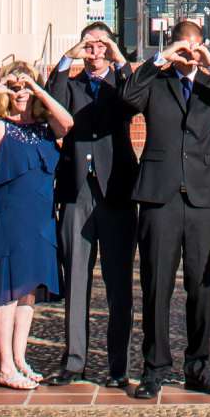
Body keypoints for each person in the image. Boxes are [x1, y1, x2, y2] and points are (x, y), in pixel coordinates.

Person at [122, 20, 210, 399]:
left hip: (204, 196)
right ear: (171, 46)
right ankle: (154, 367)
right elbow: (128, 99)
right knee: (156, 284)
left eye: (194, 46)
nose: (188, 53)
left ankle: (199, 366)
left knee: (202, 284)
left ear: (203, 46)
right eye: (182, 46)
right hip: (160, 196)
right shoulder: (155, 82)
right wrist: (157, 60)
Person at [0, 57, 74, 390]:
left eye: (24, 86)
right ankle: (4, 365)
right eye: (15, 86)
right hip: (11, 216)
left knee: (28, 295)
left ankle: (20, 358)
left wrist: (37, 86)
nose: (20, 92)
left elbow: (67, 123)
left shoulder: (45, 126)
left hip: (41, 218)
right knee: (7, 291)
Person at [46, 23, 138, 386]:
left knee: (119, 284)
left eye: (102, 44)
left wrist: (120, 60)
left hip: (116, 190)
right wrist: (69, 56)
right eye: (90, 44)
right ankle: (74, 361)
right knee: (77, 279)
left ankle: (119, 367)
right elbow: (50, 99)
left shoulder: (121, 83)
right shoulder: (70, 83)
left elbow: (135, 99)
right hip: (76, 190)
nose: (95, 50)